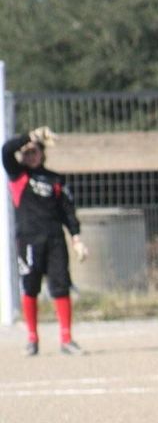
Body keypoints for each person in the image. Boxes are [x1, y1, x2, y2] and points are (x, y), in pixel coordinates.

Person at [3, 126, 88, 356]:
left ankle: (66, 339)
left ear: (42, 153)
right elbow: (6, 150)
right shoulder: (18, 175)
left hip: (55, 240)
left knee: (60, 286)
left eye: (35, 151)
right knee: (30, 286)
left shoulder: (55, 179)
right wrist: (31, 136)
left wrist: (76, 238)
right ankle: (32, 338)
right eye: (27, 152)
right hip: (29, 239)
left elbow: (67, 212)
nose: (31, 156)